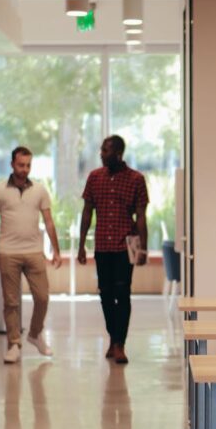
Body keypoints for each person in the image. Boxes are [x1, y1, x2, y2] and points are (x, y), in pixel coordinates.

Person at [0, 146, 62, 364]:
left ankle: (35, 334)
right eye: (21, 165)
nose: (24, 169)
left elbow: (49, 222)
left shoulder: (40, 190)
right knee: (11, 303)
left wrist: (56, 250)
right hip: (8, 253)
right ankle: (14, 344)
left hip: (34, 252)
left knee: (42, 297)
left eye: (28, 165)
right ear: (12, 164)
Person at [78, 135, 149, 365]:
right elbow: (87, 212)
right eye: (101, 149)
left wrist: (143, 249)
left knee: (123, 294)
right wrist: (81, 245)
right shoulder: (94, 178)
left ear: (118, 153)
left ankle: (120, 344)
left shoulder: (136, 179)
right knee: (105, 295)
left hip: (124, 246)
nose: (101, 153)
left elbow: (141, 217)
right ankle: (113, 336)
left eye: (105, 150)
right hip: (102, 246)